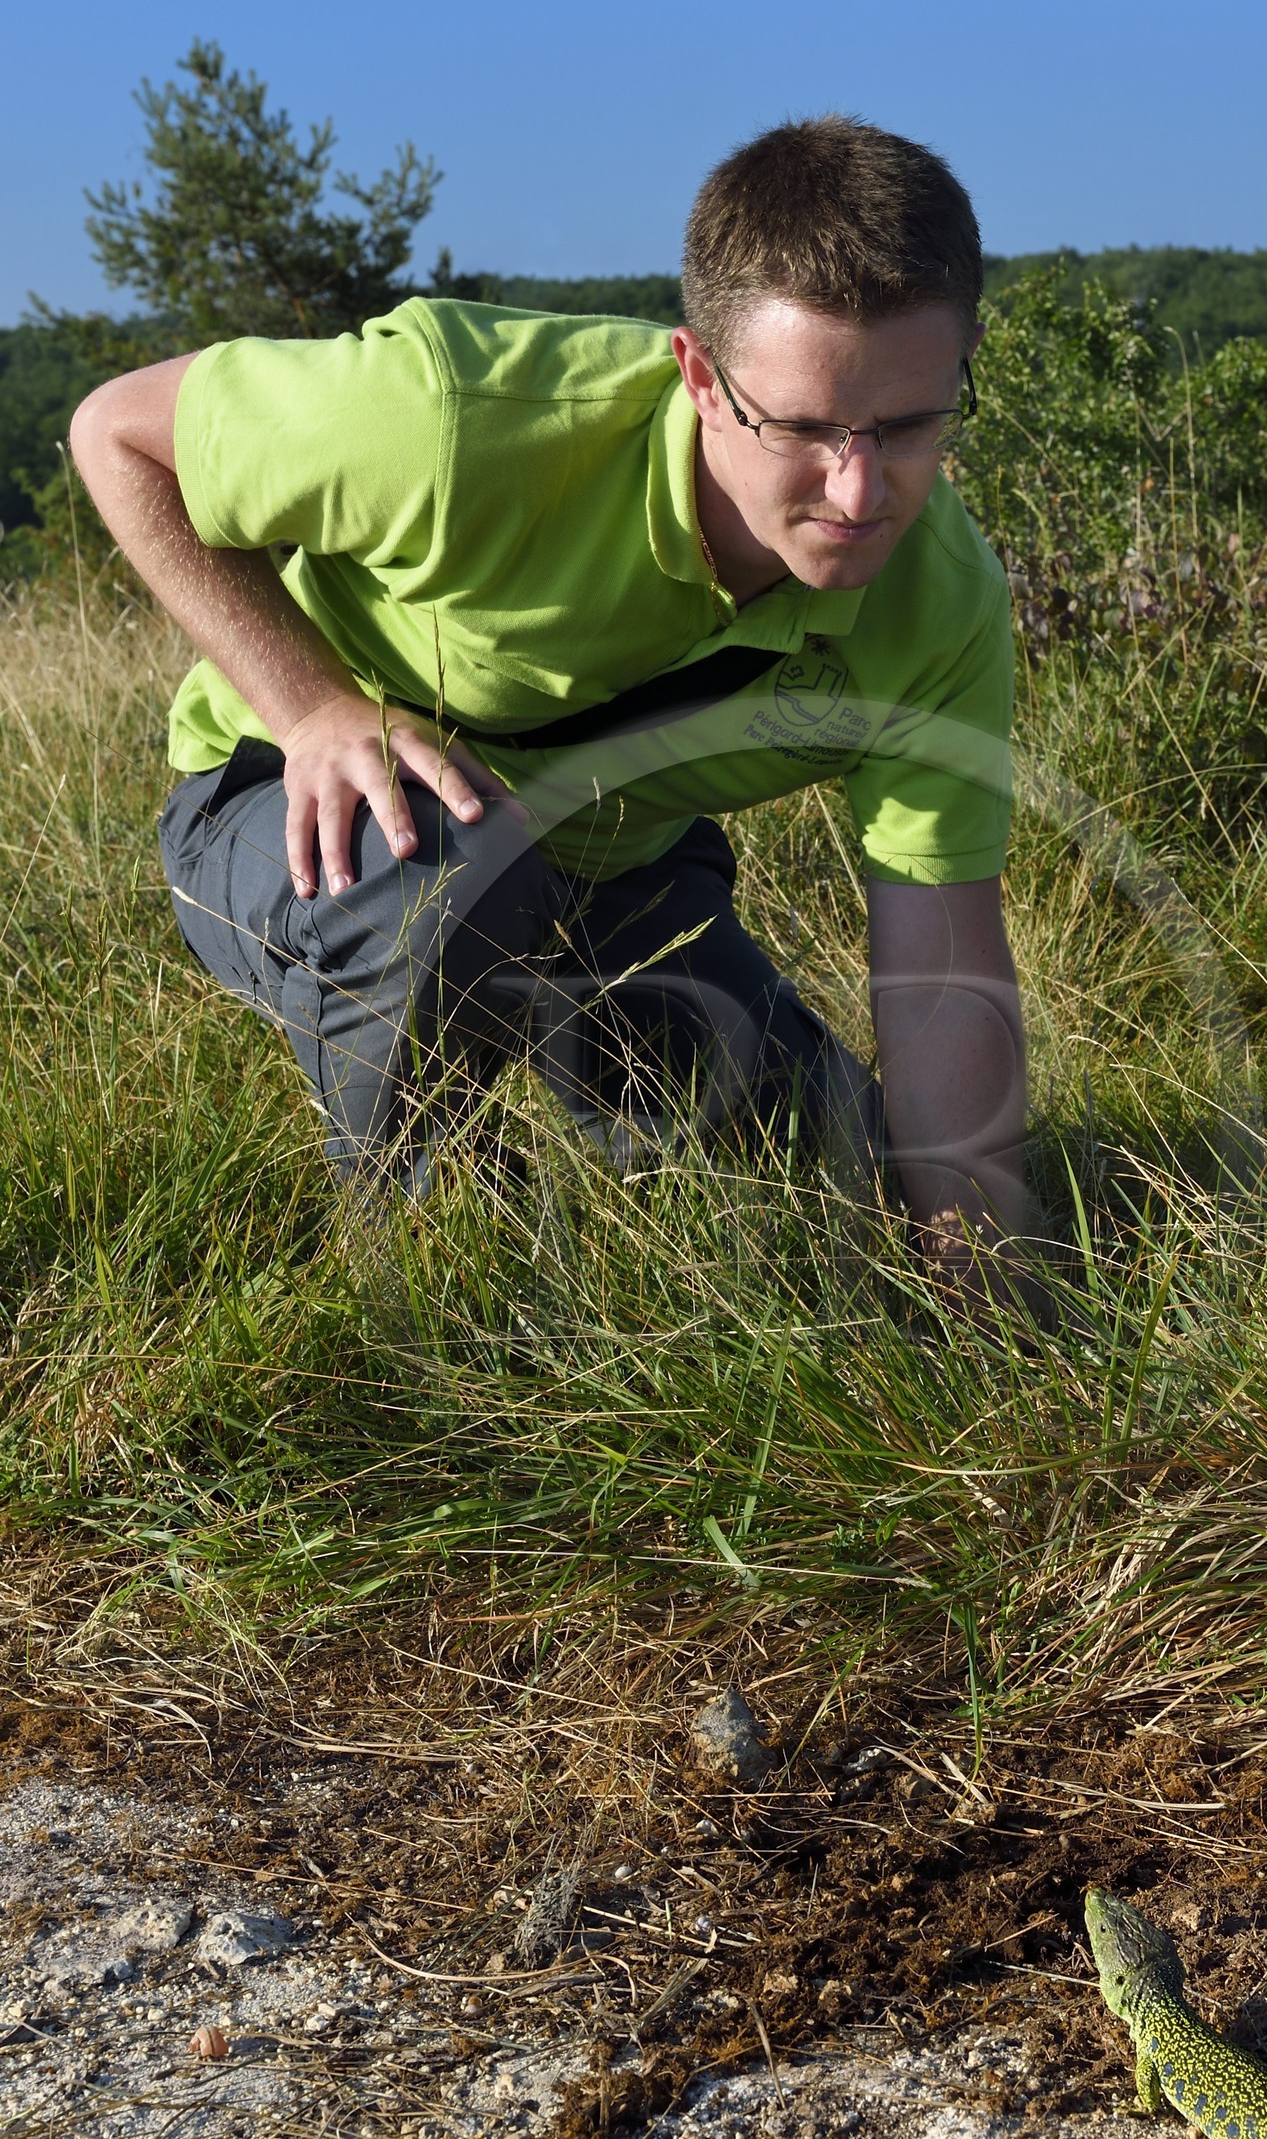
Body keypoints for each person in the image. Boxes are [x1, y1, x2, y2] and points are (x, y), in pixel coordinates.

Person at [71, 115, 1032, 1306]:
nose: (857, 489)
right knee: (458, 883)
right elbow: (115, 433)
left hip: (609, 870)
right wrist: (311, 703)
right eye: (799, 427)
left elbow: (940, 970)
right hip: (312, 816)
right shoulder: (448, 419)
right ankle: (434, 1282)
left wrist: (983, 1284)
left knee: (831, 1175)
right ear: (698, 376)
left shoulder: (941, 604)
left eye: (908, 426)